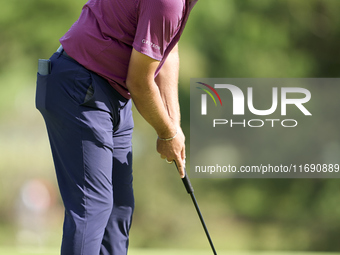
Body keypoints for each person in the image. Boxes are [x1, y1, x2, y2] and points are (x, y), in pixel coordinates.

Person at [35, 0, 198, 254]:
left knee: (118, 209)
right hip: (80, 85)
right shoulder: (168, 2)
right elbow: (139, 81)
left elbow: (169, 52)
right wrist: (166, 133)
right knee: (93, 208)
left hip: (112, 94)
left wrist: (173, 126)